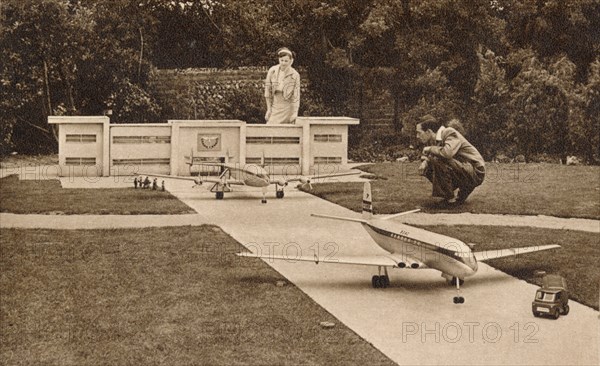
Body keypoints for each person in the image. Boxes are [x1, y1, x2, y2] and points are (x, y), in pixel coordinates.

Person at [416, 115, 485, 205]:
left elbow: (447, 153)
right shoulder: (435, 139)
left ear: (429, 131)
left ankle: (449, 197)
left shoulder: (449, 132)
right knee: (429, 165)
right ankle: (462, 191)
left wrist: (429, 150)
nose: (417, 136)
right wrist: (425, 161)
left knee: (436, 159)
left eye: (419, 132)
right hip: (465, 167)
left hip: (476, 171)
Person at [264, 47, 301, 124]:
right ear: (279, 60)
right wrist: (269, 109)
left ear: (291, 61)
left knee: (286, 132)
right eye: (282, 60)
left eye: (286, 61)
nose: (283, 63)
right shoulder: (272, 71)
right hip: (275, 106)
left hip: (288, 107)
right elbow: (267, 92)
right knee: (270, 128)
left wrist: (295, 113)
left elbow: (296, 96)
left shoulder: (295, 75)